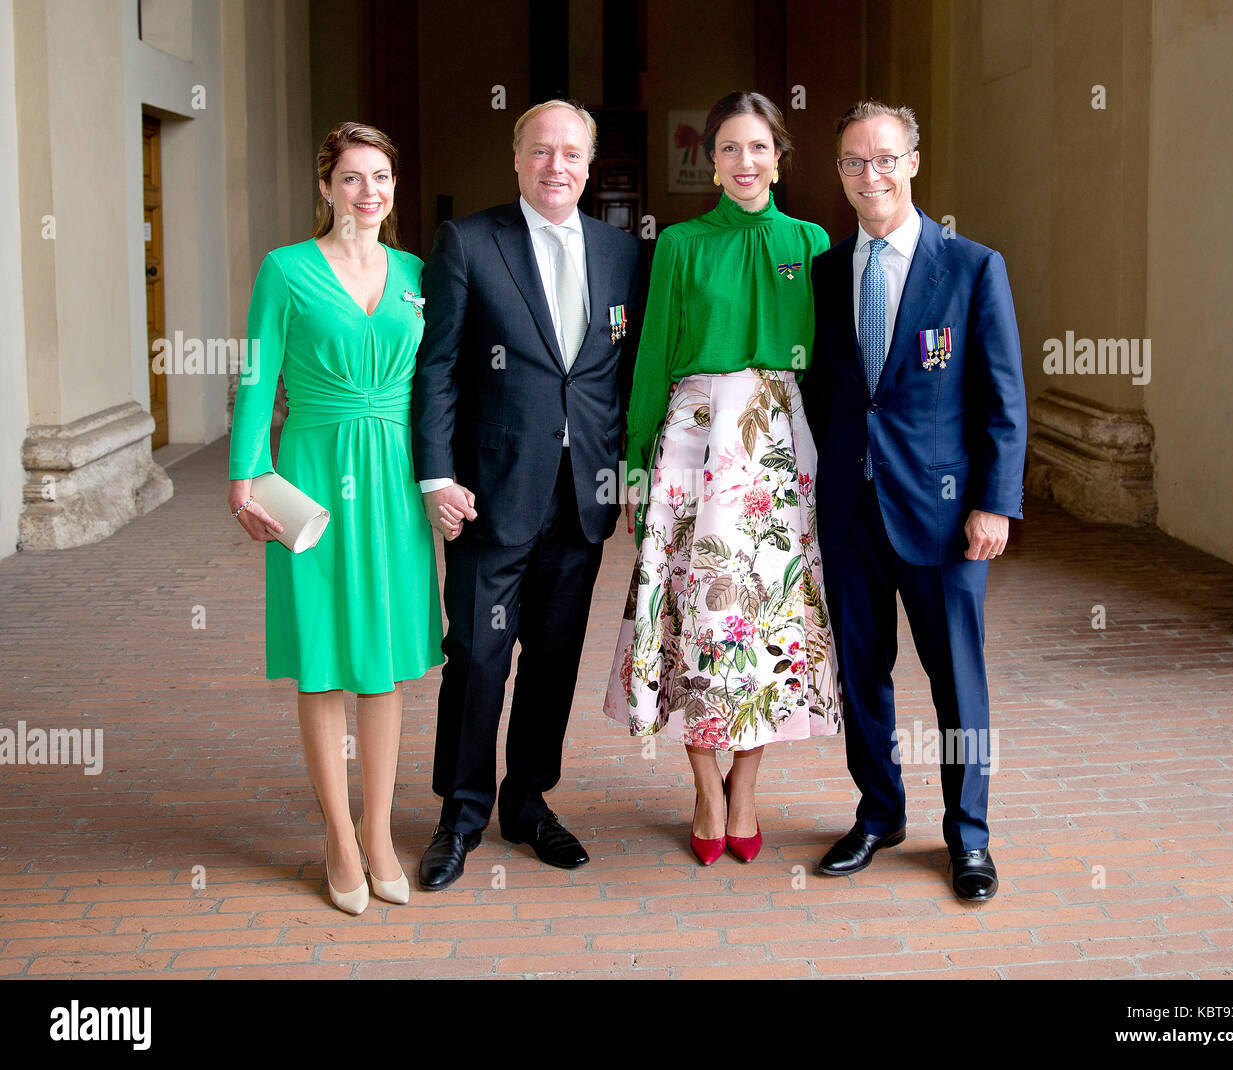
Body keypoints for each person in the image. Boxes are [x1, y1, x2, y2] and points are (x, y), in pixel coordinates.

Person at [606, 91, 842, 866]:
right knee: (697, 619)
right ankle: (706, 788)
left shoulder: (811, 241)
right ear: (710, 160)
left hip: (778, 447)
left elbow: (835, 367)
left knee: (767, 623)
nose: (746, 162)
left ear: (781, 157)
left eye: (760, 148)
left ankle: (747, 787)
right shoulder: (677, 244)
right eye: (731, 148)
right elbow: (649, 361)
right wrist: (639, 468)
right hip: (693, 444)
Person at [411, 100, 643, 891]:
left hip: (580, 500)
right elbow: (437, 367)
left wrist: (626, 469)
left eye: (572, 154)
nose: (557, 167)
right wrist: (436, 475)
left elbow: (618, 374)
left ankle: (528, 800)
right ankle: (460, 813)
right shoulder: (470, 243)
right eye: (542, 151)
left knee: (552, 662)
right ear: (517, 159)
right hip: (490, 494)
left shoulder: (619, 251)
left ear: (588, 164)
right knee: (476, 657)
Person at [802, 101, 1028, 901]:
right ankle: (878, 814)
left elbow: (1002, 399)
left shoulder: (971, 267)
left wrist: (994, 503)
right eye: (855, 162)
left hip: (943, 516)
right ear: (840, 173)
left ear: (913, 161)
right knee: (863, 673)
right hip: (852, 511)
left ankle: (969, 839)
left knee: (957, 681)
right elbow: (826, 389)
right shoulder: (829, 271)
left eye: (886, 158)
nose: (872, 175)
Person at [228, 122, 441, 914]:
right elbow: (256, 378)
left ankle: (380, 830)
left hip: (391, 476)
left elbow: (437, 384)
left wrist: (444, 479)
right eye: (351, 178)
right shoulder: (285, 270)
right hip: (311, 471)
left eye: (380, 177)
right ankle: (338, 838)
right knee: (321, 652)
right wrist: (244, 477)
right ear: (325, 188)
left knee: (380, 655)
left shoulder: (418, 271)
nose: (368, 192)